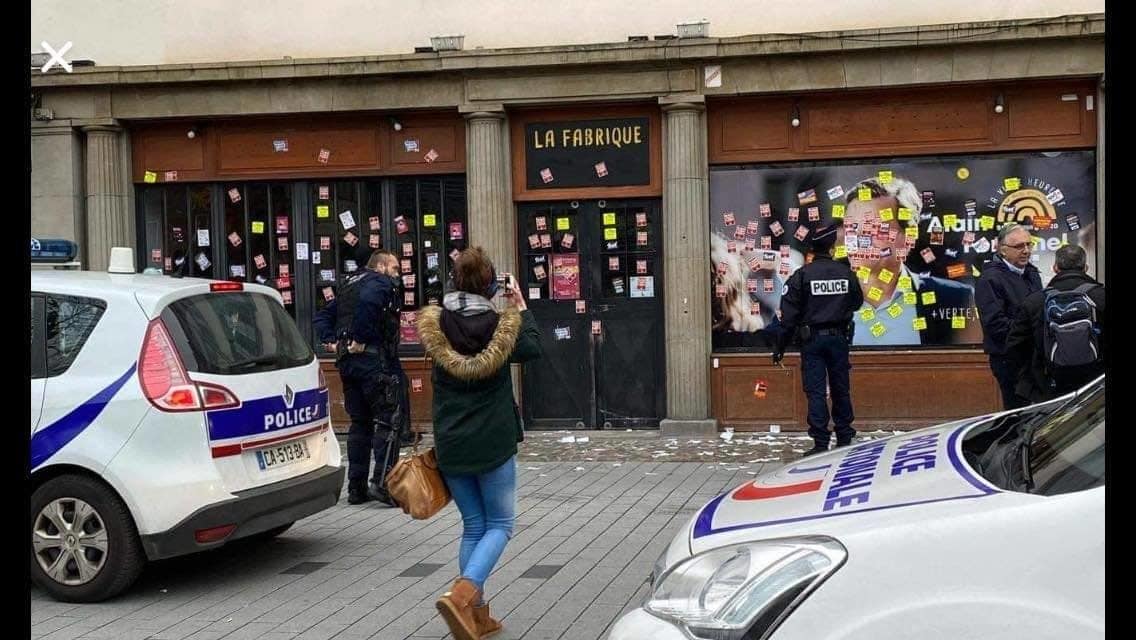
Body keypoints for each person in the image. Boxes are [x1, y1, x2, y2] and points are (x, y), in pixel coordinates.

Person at [417, 247, 542, 640]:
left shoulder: (436, 327)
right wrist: (520, 306)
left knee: (473, 526)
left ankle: (476, 615)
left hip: (452, 443)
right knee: (501, 525)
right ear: (491, 284)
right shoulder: (500, 326)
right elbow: (533, 348)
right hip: (492, 441)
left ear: (454, 281)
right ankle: (463, 594)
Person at [313, 250, 405, 506]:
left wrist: (332, 341)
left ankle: (356, 488)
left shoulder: (349, 284)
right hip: (374, 361)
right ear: (382, 265)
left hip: (348, 364)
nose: (398, 274)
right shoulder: (379, 282)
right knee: (389, 420)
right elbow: (370, 302)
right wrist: (361, 338)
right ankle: (383, 483)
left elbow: (321, 316)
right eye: (395, 268)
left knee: (360, 423)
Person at [839, 176, 978, 346]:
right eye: (851, 227)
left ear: (909, 238)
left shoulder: (956, 298)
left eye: (874, 228)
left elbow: (972, 367)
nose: (859, 239)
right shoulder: (819, 300)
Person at [775, 225, 863, 456]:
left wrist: (780, 348)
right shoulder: (846, 273)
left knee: (816, 391)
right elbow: (857, 303)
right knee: (840, 388)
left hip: (812, 341)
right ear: (833, 248)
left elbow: (789, 317)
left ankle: (821, 443)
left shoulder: (802, 276)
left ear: (812, 249)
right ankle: (844, 436)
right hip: (838, 338)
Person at [1006, 244, 1105, 403]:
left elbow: (1015, 347)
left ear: (1055, 268)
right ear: (1086, 267)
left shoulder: (1035, 301)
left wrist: (1030, 382)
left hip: (1048, 387)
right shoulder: (1101, 297)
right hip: (1095, 387)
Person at [975, 223, 1042, 409]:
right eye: (1019, 246)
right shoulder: (990, 279)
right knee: (1016, 413)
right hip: (1009, 358)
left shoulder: (1032, 273)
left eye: (1029, 245)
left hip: (1033, 357)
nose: (1026, 251)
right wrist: (1029, 332)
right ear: (1002, 250)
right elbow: (995, 324)